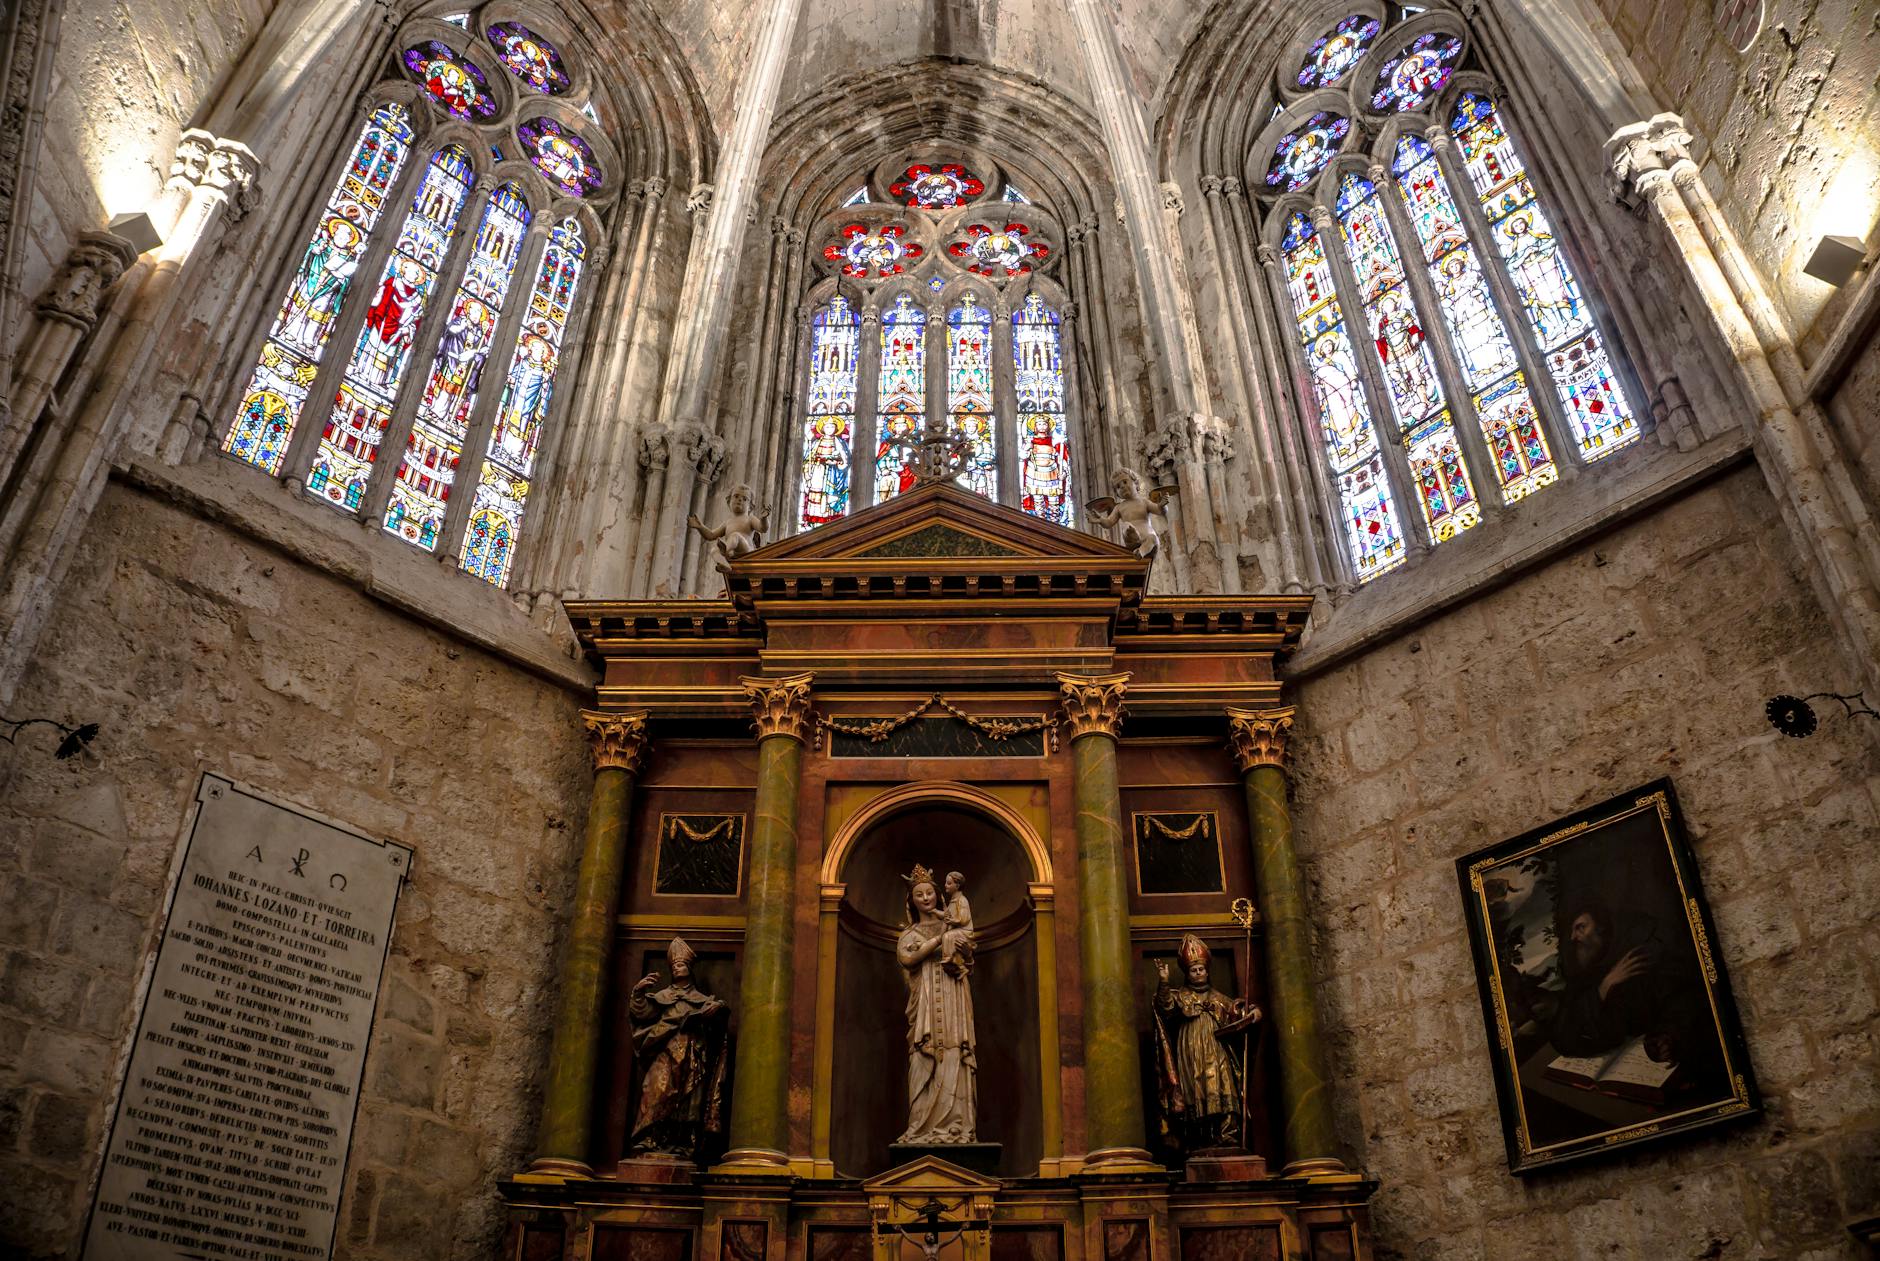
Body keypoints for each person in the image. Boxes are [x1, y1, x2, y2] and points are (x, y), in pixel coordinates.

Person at [1152, 933, 1261, 1152]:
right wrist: (1164, 982)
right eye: (1194, 970)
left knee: (1224, 1083)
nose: (1198, 973)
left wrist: (1253, 1012)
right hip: (1190, 1048)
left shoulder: (1219, 998)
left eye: (1201, 969)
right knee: (1196, 1087)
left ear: (1207, 971)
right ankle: (1199, 1138)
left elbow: (1237, 1012)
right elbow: (1165, 1008)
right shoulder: (1180, 996)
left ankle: (1227, 1134)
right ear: (1187, 973)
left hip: (1216, 1046)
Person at [626, 936, 729, 1160]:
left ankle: (683, 1143)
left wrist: (718, 1010)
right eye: (674, 966)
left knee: (689, 1099)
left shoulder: (701, 1000)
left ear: (690, 968)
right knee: (653, 1090)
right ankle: (649, 1138)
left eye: (681, 964)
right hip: (666, 1052)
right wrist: (638, 992)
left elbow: (718, 1027)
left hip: (692, 1053)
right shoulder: (663, 997)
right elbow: (642, 1013)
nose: (677, 968)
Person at [896, 864, 976, 1144]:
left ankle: (956, 1126)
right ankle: (919, 1127)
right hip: (925, 1004)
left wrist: (954, 942)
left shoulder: (953, 926)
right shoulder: (909, 933)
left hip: (954, 1000)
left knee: (955, 1053)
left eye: (930, 892)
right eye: (920, 894)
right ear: (912, 900)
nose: (926, 898)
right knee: (922, 1057)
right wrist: (938, 941)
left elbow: (969, 948)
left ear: (939, 896)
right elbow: (907, 958)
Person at [938, 871, 973, 977]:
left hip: (965, 932)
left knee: (948, 936)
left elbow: (964, 919)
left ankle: (951, 960)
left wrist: (952, 921)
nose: (945, 885)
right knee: (947, 937)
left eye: (948, 883)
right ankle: (951, 960)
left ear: (957, 885)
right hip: (956, 933)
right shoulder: (952, 902)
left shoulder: (962, 900)